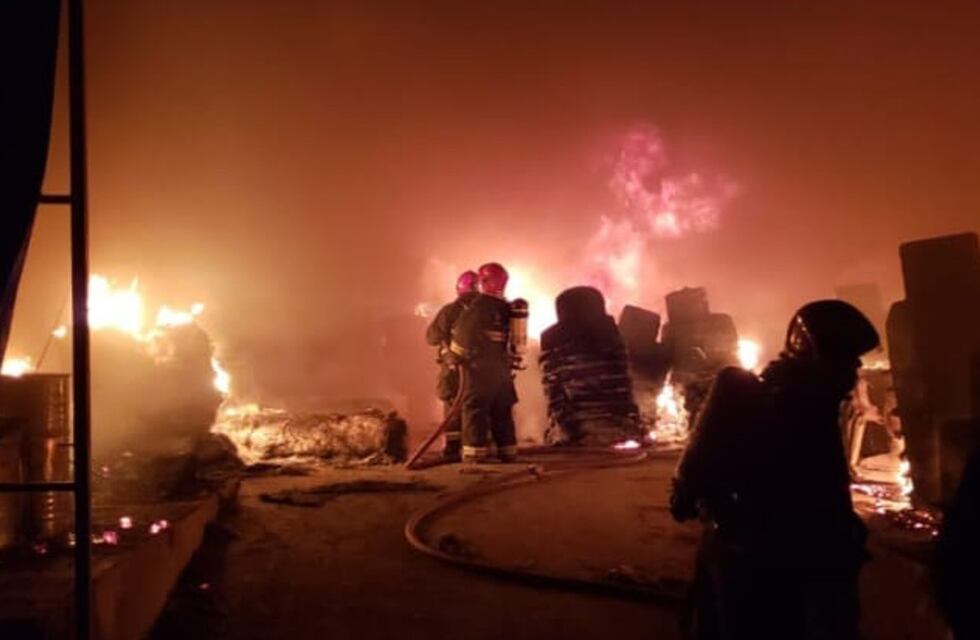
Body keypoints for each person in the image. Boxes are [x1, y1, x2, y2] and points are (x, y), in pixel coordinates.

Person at [670, 300, 880, 640]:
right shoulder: (753, 396)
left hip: (786, 555)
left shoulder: (816, 402)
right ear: (813, 350)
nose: (854, 367)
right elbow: (690, 483)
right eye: (846, 357)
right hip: (751, 556)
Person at [449, 262, 519, 463]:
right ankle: (508, 451)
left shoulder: (479, 306)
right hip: (503, 372)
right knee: (502, 411)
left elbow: (464, 335)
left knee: (475, 408)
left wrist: (454, 356)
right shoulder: (508, 309)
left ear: (485, 282)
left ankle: (474, 454)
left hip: (480, 371)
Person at [425, 270, 479, 461]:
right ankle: (477, 446)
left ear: (459, 289)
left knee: (452, 406)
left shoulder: (449, 311)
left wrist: (446, 350)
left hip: (455, 370)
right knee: (477, 407)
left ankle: (453, 449)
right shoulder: (487, 309)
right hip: (482, 371)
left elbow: (431, 337)